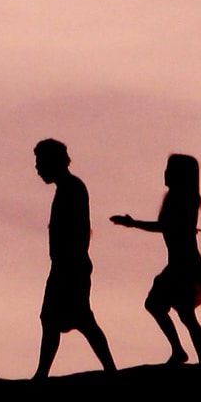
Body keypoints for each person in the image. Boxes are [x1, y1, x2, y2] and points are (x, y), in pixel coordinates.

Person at [107, 153, 201, 364]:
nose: (165, 173)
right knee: (164, 308)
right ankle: (183, 352)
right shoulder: (175, 198)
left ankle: (200, 359)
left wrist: (134, 223)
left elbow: (167, 227)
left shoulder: (186, 199)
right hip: (178, 265)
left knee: (183, 314)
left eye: (169, 169)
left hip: (185, 266)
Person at [32, 140, 119, 378]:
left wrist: (71, 262)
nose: (38, 168)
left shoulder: (73, 188)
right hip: (66, 264)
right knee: (61, 318)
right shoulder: (67, 188)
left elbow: (80, 230)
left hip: (70, 265)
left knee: (76, 318)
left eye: (41, 162)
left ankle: (43, 374)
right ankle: (43, 373)